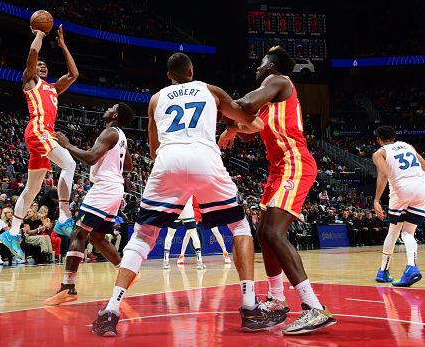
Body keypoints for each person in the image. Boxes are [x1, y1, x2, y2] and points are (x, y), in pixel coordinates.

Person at [92, 52, 265, 336]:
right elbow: (244, 116)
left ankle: (111, 309)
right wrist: (235, 126)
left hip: (168, 160)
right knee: (239, 226)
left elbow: (152, 148)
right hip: (204, 158)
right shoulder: (210, 90)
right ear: (191, 70)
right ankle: (249, 306)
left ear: (168, 76)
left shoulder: (157, 99)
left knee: (143, 236)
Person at [222, 46, 336, 334]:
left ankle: (314, 308)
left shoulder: (278, 81)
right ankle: (276, 299)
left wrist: (214, 102)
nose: (257, 67)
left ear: (272, 66)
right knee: (263, 233)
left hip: (294, 161)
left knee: (274, 232)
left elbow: (244, 104)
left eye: (261, 63)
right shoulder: (269, 101)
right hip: (278, 168)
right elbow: (251, 126)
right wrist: (233, 128)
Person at [0, 24, 78, 259]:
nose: (41, 66)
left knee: (31, 190)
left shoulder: (53, 89)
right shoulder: (30, 83)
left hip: (44, 136)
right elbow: (33, 56)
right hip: (38, 131)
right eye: (39, 65)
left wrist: (63, 46)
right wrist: (40, 35)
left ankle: (12, 233)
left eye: (45, 65)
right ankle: (64, 217)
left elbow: (74, 74)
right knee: (70, 164)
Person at [46, 102, 135, 306]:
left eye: (111, 107)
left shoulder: (110, 133)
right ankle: (126, 271)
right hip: (114, 188)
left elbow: (92, 158)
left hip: (104, 188)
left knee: (78, 234)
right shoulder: (120, 136)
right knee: (96, 237)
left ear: (115, 114)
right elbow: (128, 165)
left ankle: (68, 287)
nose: (107, 108)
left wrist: (67, 145)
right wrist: (117, 171)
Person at [372, 126, 425, 287]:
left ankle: (383, 271)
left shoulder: (380, 153)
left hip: (401, 189)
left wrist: (376, 200)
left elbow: (383, 175)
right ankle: (410, 267)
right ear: (394, 137)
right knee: (408, 232)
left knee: (394, 231)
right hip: (423, 188)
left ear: (378, 139)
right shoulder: (407, 146)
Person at [163, 196, 205, 269]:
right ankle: (199, 261)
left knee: (169, 234)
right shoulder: (191, 185)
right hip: (187, 208)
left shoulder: (173, 185)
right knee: (194, 234)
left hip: (175, 207)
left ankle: (166, 261)